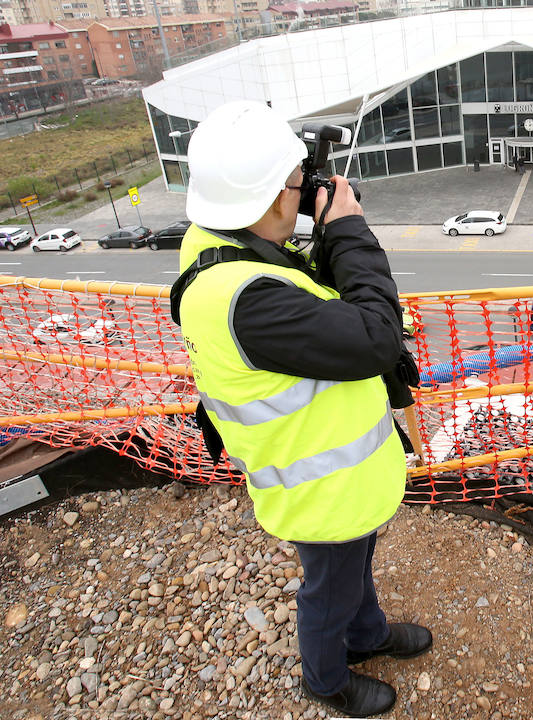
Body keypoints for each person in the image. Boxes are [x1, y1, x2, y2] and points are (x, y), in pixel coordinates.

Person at [176, 101, 429, 717]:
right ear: (266, 199)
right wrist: (348, 229)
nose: (306, 192)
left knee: (354, 566)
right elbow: (375, 337)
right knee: (329, 589)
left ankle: (367, 637)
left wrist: (319, 232)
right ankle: (325, 679)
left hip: (340, 478)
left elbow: (311, 296)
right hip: (317, 487)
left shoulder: (228, 243)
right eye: (297, 183)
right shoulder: (247, 301)